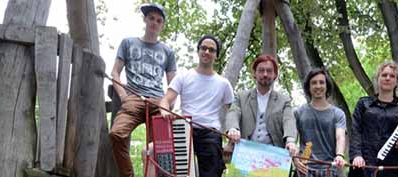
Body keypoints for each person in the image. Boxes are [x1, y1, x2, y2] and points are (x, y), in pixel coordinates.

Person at [109, 3, 176, 177]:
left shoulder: (167, 51)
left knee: (160, 147)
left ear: (162, 25)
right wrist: (123, 96)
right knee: (116, 134)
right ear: (145, 19)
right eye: (151, 18)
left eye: (159, 20)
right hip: (134, 99)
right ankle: (128, 175)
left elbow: (173, 83)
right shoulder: (128, 43)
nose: (154, 22)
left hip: (157, 101)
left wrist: (168, 105)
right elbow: (115, 71)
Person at [159, 35, 234, 177]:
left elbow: (233, 112)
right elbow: (165, 100)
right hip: (185, 129)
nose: (206, 52)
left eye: (211, 50)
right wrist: (164, 111)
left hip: (210, 132)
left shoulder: (223, 83)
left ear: (216, 55)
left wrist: (231, 139)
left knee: (212, 171)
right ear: (198, 51)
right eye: (203, 48)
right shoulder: (183, 76)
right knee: (173, 169)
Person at [349, 62, 398, 177]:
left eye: (392, 76)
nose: (387, 78)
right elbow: (355, 131)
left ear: (397, 82)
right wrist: (356, 155)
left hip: (391, 167)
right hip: (364, 164)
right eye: (384, 75)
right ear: (377, 79)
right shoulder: (363, 104)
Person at [224, 54, 298, 155]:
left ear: (275, 75)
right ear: (254, 74)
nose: (265, 74)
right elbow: (233, 112)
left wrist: (290, 140)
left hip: (273, 156)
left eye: (269, 71)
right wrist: (233, 129)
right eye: (261, 70)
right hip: (245, 153)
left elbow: (288, 120)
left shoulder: (284, 100)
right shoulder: (241, 97)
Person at [293, 69, 346, 177]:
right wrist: (295, 158)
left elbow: (340, 137)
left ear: (327, 86)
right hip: (304, 168)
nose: (318, 86)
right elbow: (292, 140)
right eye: (314, 83)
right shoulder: (298, 112)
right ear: (308, 87)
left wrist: (340, 155)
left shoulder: (338, 114)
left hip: (328, 169)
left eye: (321, 82)